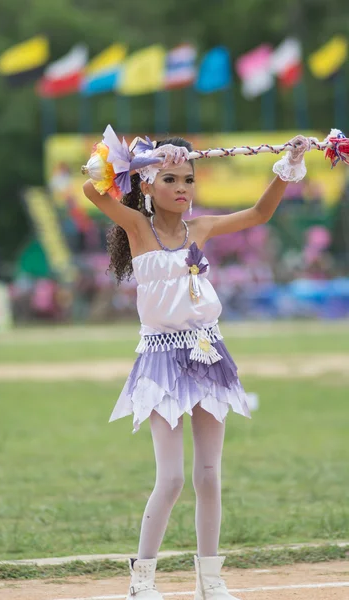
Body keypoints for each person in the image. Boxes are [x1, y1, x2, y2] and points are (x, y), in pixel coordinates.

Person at [82, 129, 311, 600]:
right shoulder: (137, 228)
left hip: (208, 351)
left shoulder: (199, 229)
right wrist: (145, 155)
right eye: (170, 178)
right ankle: (141, 582)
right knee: (171, 478)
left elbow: (260, 213)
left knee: (210, 476)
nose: (183, 187)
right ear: (147, 185)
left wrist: (289, 162)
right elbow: (91, 187)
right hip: (161, 359)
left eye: (188, 178)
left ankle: (211, 581)